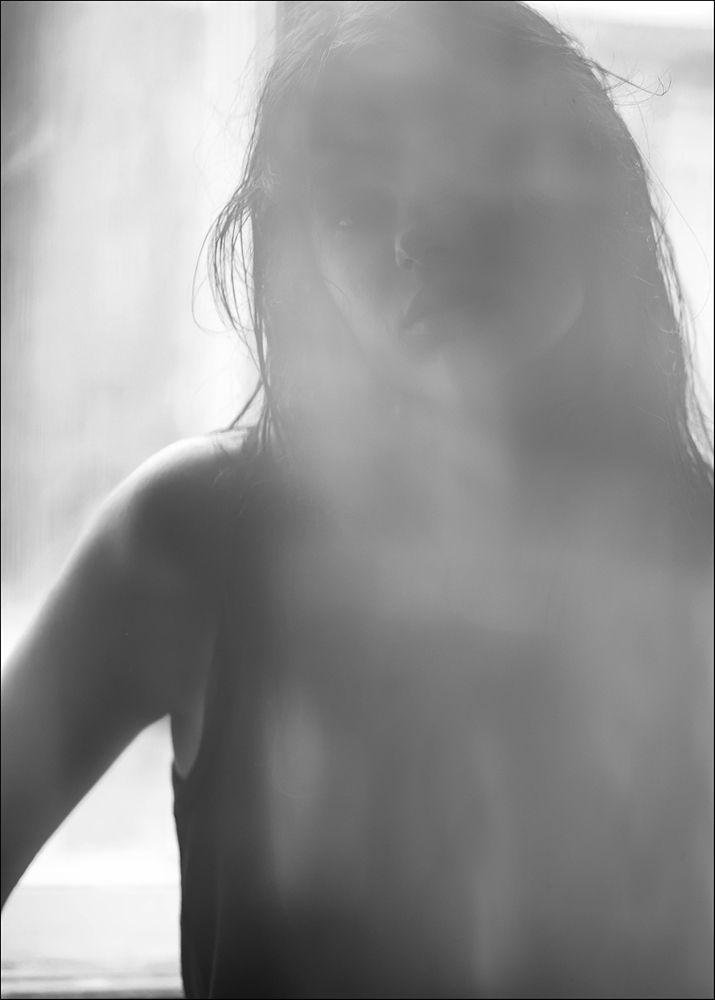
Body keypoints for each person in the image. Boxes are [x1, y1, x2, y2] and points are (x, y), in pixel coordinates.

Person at [2, 2, 713, 997]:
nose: (421, 232)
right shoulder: (191, 539)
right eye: (351, 201)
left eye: (474, 166)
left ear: (588, 201)